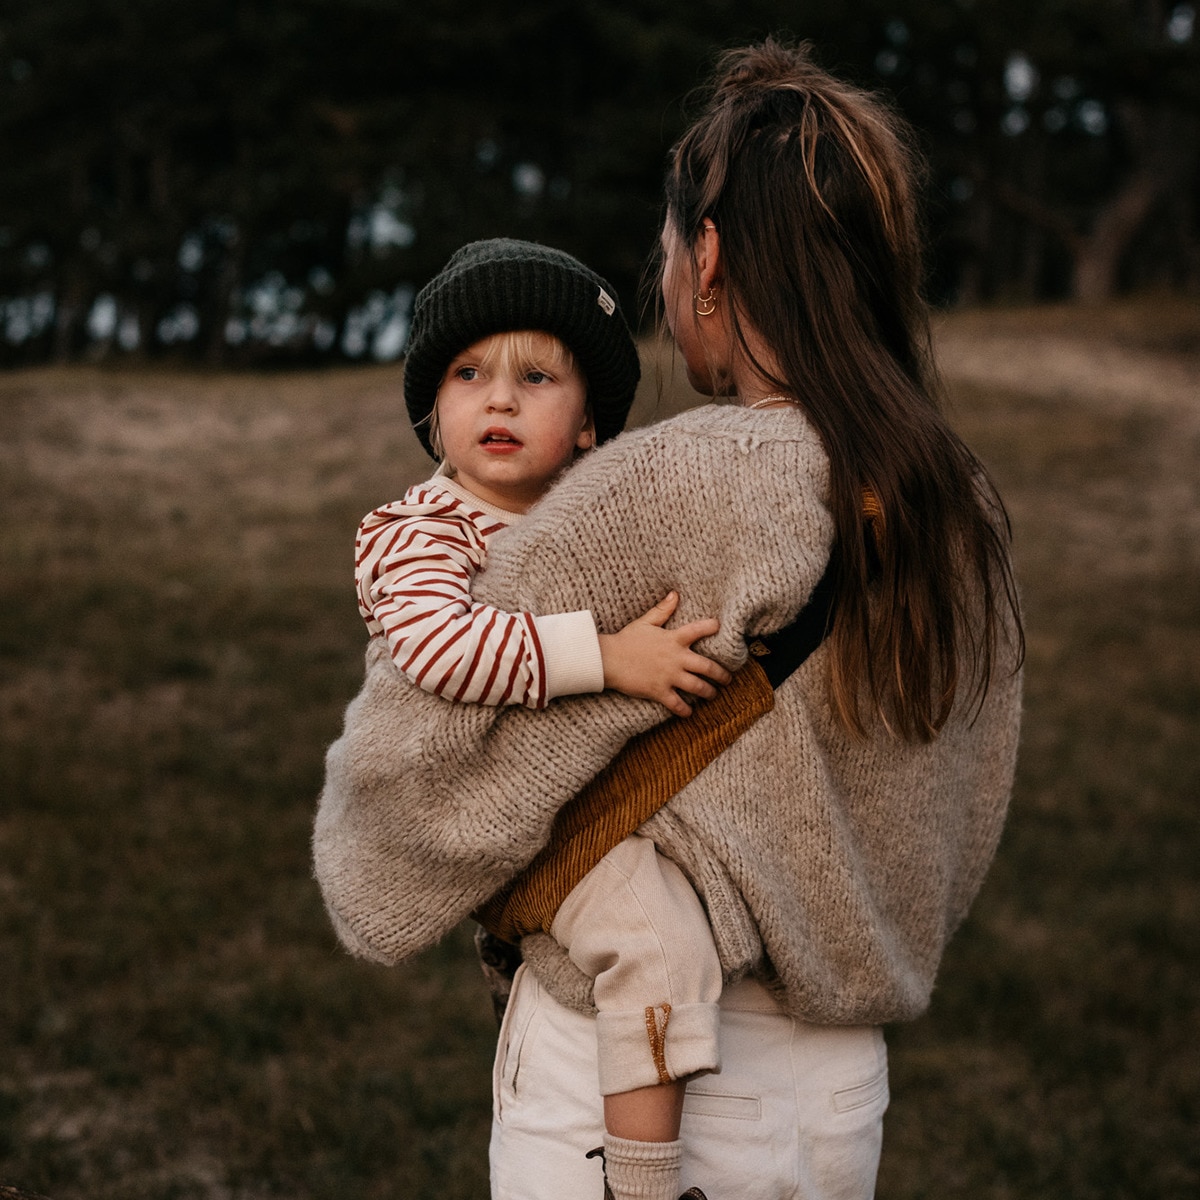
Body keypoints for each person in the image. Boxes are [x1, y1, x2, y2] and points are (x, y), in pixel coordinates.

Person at [314, 38, 1024, 1200]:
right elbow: (965, 810)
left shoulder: (675, 483)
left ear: (708, 254)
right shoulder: (963, 500)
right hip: (841, 1092)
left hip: (630, 1087)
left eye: (665, 248)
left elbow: (411, 782)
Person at [351, 237, 733, 1200]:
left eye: (537, 375)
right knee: (658, 943)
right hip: (486, 813)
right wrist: (606, 658)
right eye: (468, 372)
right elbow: (433, 648)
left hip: (578, 801)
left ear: (591, 426)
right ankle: (642, 1187)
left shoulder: (588, 525)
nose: (500, 398)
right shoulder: (421, 531)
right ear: (434, 410)